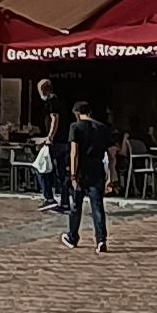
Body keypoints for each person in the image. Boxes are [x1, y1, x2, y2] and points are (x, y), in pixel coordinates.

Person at [56, 95, 117, 249]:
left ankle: (73, 237)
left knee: (76, 206)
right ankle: (101, 239)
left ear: (77, 113)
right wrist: (111, 175)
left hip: (82, 170)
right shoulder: (103, 128)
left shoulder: (75, 127)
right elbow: (111, 155)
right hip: (97, 169)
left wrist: (73, 175)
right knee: (97, 206)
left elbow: (74, 152)